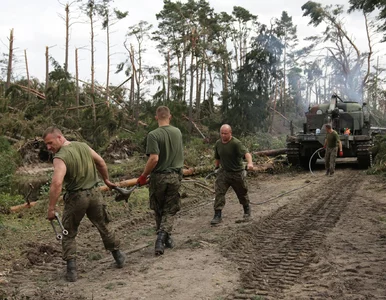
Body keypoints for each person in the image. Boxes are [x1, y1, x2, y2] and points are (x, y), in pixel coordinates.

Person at [43, 127, 125, 282]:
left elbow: (56, 183)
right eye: (46, 144)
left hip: (76, 197)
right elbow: (100, 161)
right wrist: (106, 180)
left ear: (59, 137)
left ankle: (72, 271)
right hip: (95, 194)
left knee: (69, 231)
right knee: (103, 225)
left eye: (50, 143)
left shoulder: (60, 157)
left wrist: (51, 208)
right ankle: (119, 256)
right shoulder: (83, 146)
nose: (48, 147)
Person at [137, 106, 184, 256]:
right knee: (170, 209)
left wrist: (143, 175)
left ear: (156, 118)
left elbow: (154, 158)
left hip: (159, 177)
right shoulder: (177, 132)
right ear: (170, 117)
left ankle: (160, 238)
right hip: (175, 176)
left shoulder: (153, 135)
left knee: (159, 208)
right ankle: (165, 238)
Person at [210, 124, 254, 225]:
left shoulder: (236, 143)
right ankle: (217, 215)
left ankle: (247, 211)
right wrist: (216, 168)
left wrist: (250, 163)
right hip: (224, 172)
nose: (223, 135)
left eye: (226, 133)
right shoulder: (218, 143)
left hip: (237, 173)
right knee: (219, 193)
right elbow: (217, 157)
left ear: (230, 133)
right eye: (222, 133)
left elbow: (247, 154)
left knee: (242, 192)